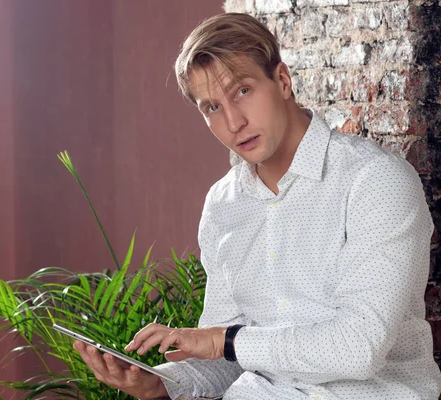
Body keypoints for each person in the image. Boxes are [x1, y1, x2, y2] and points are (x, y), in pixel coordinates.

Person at [73, 12, 441, 399]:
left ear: (282, 80)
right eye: (211, 107)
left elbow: (358, 348)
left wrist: (223, 341)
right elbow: (224, 356)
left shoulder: (375, 181)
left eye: (242, 91)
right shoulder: (222, 205)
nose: (233, 122)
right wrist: (161, 382)